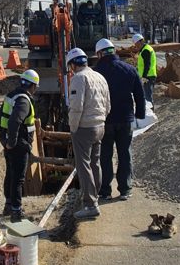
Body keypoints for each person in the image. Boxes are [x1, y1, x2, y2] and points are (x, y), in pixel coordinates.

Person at [94, 39, 146, 201]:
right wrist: (140, 115)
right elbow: (140, 95)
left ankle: (105, 191)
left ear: (100, 53)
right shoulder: (129, 69)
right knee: (125, 154)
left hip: (105, 120)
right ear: (113, 51)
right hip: (126, 119)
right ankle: (125, 189)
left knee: (105, 155)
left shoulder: (96, 72)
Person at [66, 47, 111, 219]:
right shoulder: (99, 77)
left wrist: (73, 127)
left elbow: (76, 107)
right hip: (100, 126)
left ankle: (90, 204)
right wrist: (100, 120)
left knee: (83, 166)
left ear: (72, 64)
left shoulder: (78, 78)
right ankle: (95, 195)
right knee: (95, 163)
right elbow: (108, 105)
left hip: (84, 128)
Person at [0, 69, 39, 222]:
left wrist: (4, 139)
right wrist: (12, 142)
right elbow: (14, 121)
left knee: (11, 174)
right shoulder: (23, 101)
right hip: (19, 145)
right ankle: (16, 211)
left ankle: (9, 205)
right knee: (18, 179)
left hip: (10, 143)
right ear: (33, 86)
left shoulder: (11, 95)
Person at [132, 33, 157, 109]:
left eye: (136, 44)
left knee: (148, 96)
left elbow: (147, 65)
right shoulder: (145, 49)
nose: (136, 46)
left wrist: (144, 77)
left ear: (140, 41)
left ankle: (151, 113)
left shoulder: (146, 50)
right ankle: (149, 112)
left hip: (148, 76)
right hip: (148, 76)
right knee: (146, 95)